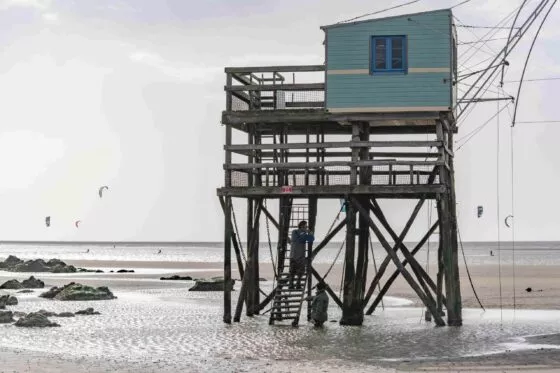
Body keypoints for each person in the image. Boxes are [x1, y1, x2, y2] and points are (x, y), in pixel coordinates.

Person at [289, 220, 314, 289]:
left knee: (301, 272)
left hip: (300, 256)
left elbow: (311, 239)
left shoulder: (304, 234)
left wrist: (310, 233)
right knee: (292, 272)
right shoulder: (295, 232)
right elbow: (297, 239)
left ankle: (298, 284)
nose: (306, 228)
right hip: (294, 255)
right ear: (302, 226)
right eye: (305, 227)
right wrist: (306, 233)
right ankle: (291, 285)